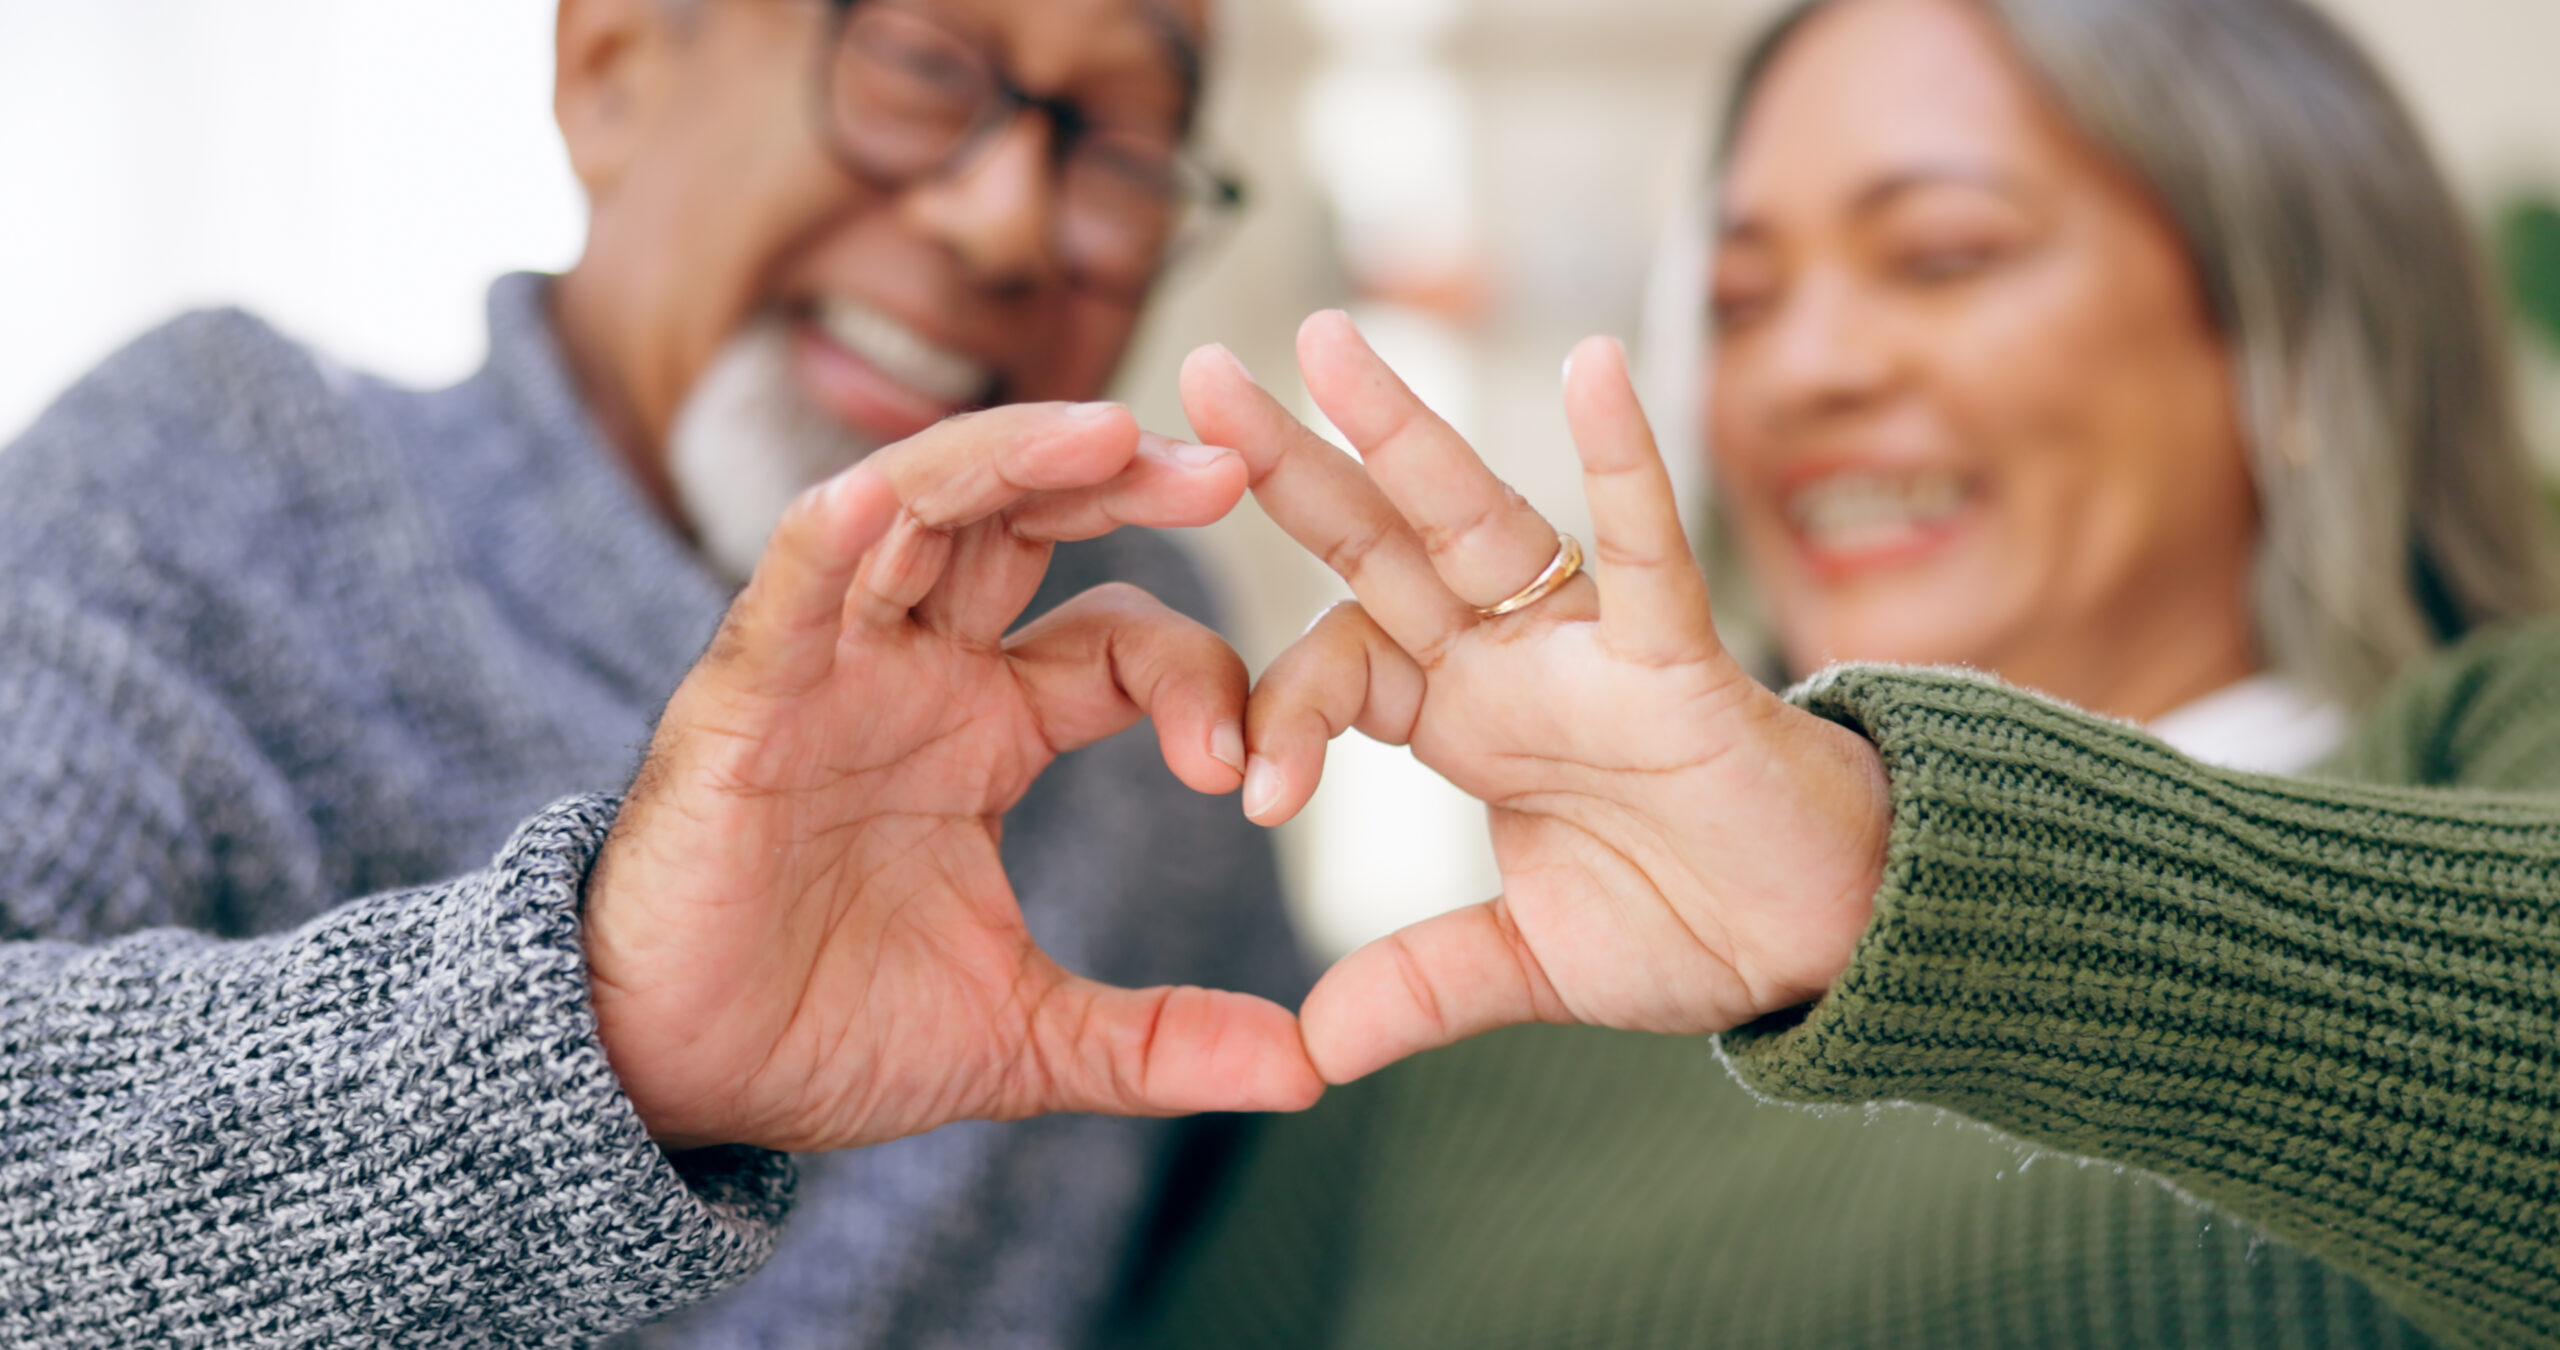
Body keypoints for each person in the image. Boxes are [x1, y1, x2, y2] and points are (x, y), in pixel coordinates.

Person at [1115, 0, 2560, 1346]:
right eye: (1740, 302)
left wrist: (1904, 871)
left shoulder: (2495, 741)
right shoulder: (1471, 1030)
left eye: (1943, 255)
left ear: (2291, 324)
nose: (1800, 371)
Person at [0, 0, 1322, 1344]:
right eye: (924, 64)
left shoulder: (1133, 655)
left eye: (1121, 144)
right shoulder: (203, 484)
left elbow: (1296, 1195)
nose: (1005, 221)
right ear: (610, 71)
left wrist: (1536, 825)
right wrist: (588, 1029)